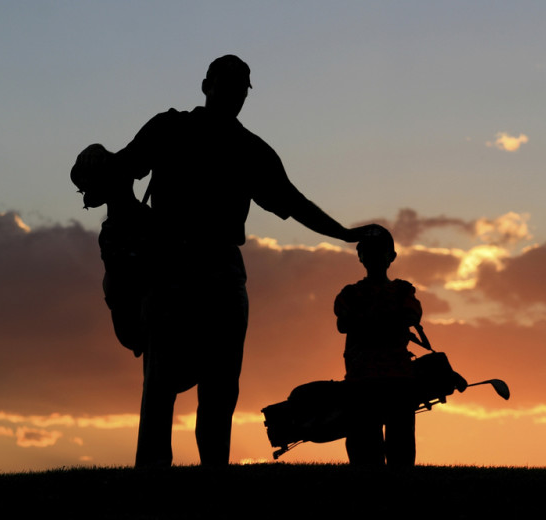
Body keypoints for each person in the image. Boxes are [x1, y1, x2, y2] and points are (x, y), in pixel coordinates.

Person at [82, 55, 385, 467]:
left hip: (222, 276)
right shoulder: (169, 128)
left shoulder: (250, 150)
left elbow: (294, 202)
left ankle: (214, 478)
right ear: (206, 85)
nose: (234, 94)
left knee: (219, 390)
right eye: (227, 85)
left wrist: (346, 233)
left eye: (241, 89)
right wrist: (102, 177)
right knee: (160, 384)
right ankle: (152, 477)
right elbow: (121, 168)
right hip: (171, 270)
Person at [334, 230, 421, 467]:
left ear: (391, 256)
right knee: (366, 452)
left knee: (398, 451)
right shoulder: (349, 294)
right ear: (360, 257)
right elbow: (345, 323)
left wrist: (366, 323)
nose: (373, 258)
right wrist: (389, 322)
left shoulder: (402, 291)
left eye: (378, 252)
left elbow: (409, 317)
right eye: (367, 253)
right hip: (367, 380)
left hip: (393, 380)